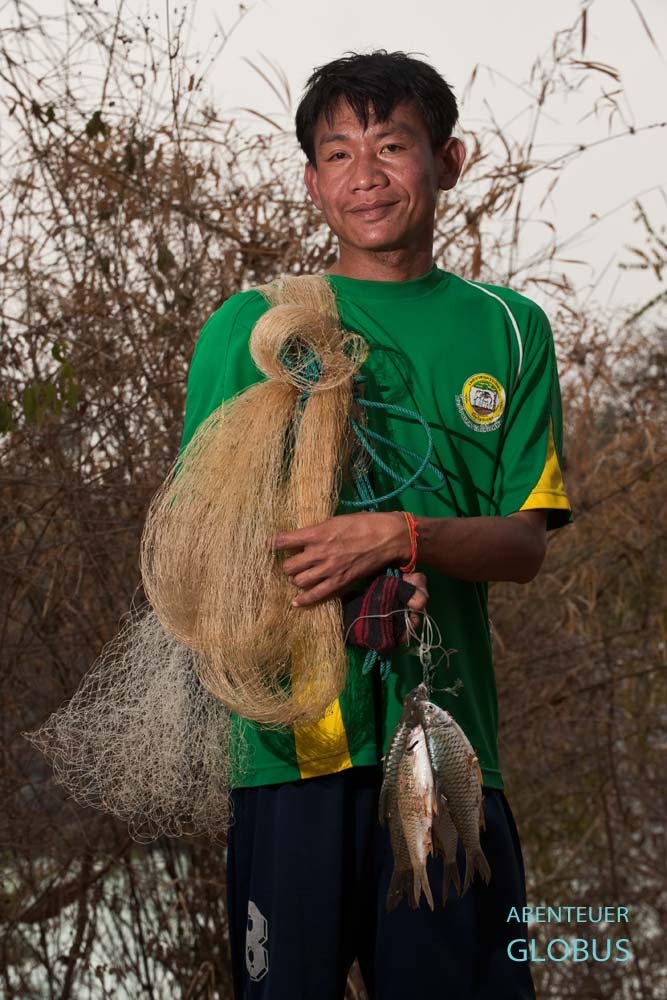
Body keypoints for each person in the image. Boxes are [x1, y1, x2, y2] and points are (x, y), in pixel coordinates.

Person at [178, 50, 571, 1000]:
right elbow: (201, 550)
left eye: (392, 146)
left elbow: (523, 545)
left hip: (448, 754)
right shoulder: (254, 328)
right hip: (291, 752)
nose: (366, 175)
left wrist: (404, 538)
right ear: (312, 182)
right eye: (338, 153)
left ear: (448, 160)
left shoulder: (508, 327)